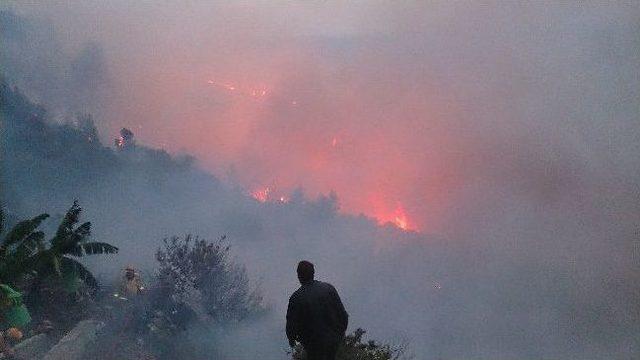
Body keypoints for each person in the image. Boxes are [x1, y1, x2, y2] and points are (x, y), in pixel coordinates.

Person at [286, 261, 348, 360]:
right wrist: (339, 334)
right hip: (332, 342)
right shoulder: (329, 289)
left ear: (299, 276)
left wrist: (292, 340)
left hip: (312, 345)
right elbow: (343, 315)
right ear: (313, 273)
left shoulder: (295, 298)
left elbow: (291, 326)